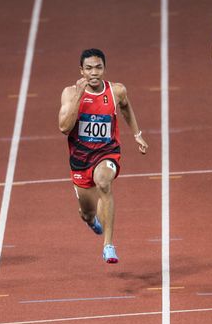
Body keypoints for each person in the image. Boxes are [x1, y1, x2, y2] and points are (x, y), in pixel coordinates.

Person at [58, 48, 148, 264]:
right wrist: (80, 96)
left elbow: (126, 108)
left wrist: (137, 134)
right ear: (81, 71)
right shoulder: (70, 93)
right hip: (80, 160)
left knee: (104, 182)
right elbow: (64, 128)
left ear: (105, 69)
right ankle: (91, 221)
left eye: (98, 67)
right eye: (88, 68)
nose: (94, 72)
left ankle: (108, 245)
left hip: (107, 153)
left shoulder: (116, 91)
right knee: (87, 213)